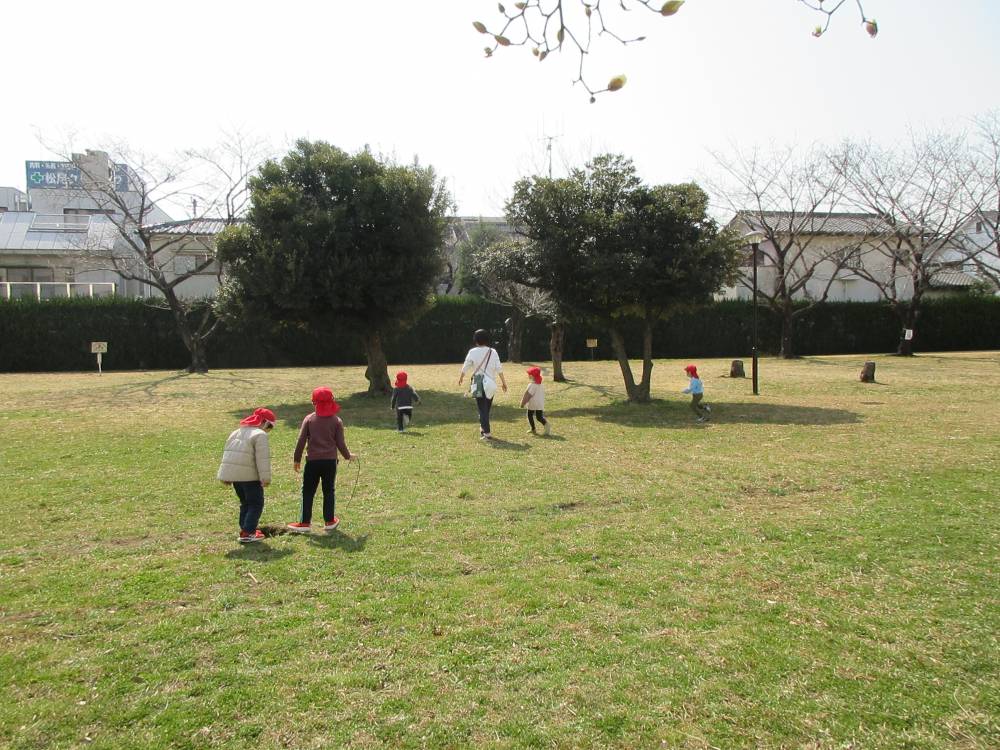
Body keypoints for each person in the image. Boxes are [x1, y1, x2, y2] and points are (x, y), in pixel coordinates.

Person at [287, 387, 355, 533]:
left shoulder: (309, 419)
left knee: (308, 491)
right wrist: (348, 456)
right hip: (330, 462)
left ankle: (305, 523)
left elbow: (301, 440)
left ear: (314, 403)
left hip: (312, 461)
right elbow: (340, 443)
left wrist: (296, 459)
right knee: (329, 490)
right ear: (332, 401)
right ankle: (329, 521)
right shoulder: (337, 421)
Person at [217, 407, 276, 544]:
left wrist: (225, 475)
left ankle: (245, 528)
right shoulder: (260, 435)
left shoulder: (236, 432)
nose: (269, 430)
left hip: (237, 478)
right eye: (270, 426)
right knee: (256, 503)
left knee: (245, 503)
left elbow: (228, 455)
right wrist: (265, 478)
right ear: (264, 422)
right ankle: (248, 532)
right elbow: (262, 459)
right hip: (251, 478)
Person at [458, 328, 508, 440]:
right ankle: (483, 427)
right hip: (491, 382)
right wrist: (504, 383)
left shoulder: (472, 352)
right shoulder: (493, 352)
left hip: (478, 381)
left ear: (475, 340)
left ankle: (487, 432)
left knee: (482, 408)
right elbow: (499, 368)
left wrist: (461, 377)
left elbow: (466, 366)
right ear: (487, 339)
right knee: (486, 407)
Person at [520, 366, 550, 435]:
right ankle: (546, 425)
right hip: (540, 403)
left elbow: (528, 395)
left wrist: (523, 403)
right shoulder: (540, 384)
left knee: (529, 415)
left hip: (533, 403)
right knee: (539, 417)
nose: (528, 375)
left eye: (530, 374)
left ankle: (533, 429)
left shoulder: (532, 385)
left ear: (533, 376)